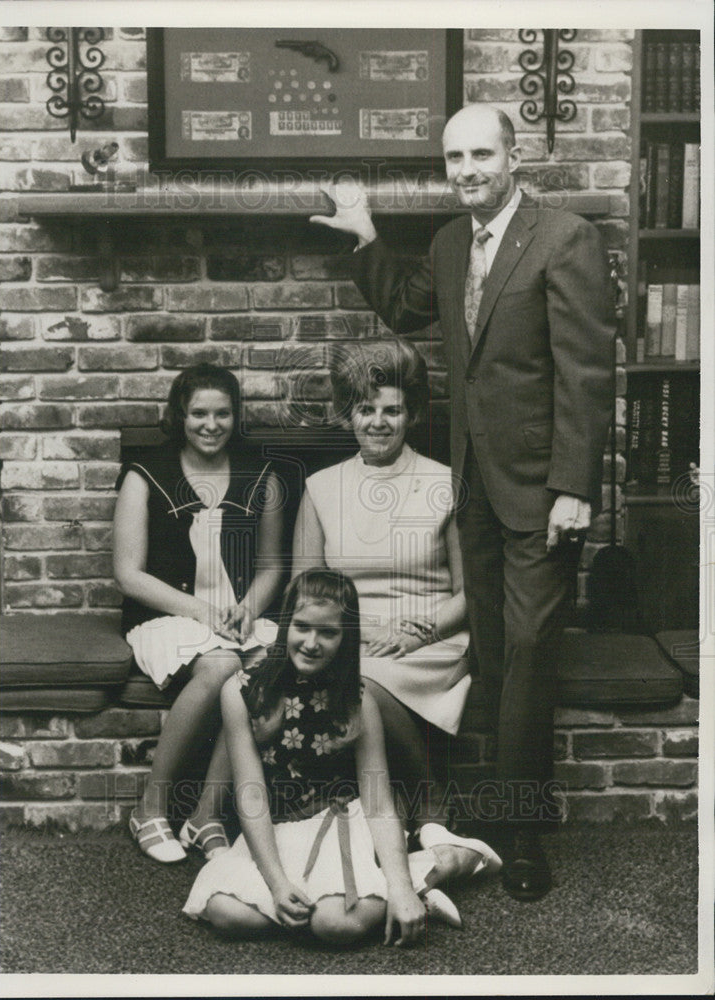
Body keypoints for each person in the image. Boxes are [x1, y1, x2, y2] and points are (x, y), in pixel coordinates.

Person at [310, 104, 616, 901]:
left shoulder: (565, 238)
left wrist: (575, 488)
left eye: (482, 153)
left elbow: (585, 375)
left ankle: (521, 828)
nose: (468, 169)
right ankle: (464, 807)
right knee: (489, 645)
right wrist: (364, 232)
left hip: (546, 492)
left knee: (527, 648)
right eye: (455, 157)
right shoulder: (451, 243)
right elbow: (411, 307)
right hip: (474, 486)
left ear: (514, 157)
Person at [184, 569, 491, 944]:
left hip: (344, 819)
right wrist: (277, 883)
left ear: (345, 637)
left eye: (328, 633)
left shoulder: (357, 698)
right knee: (228, 914)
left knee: (335, 925)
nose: (312, 642)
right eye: (302, 627)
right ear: (285, 625)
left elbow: (377, 800)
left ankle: (432, 869)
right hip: (275, 829)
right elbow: (251, 796)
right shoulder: (242, 692)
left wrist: (400, 888)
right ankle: (387, 885)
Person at [292, 337, 500, 871]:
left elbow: (472, 591)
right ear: (349, 416)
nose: (378, 422)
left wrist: (420, 631)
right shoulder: (320, 488)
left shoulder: (444, 482)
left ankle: (416, 808)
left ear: (411, 415)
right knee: (356, 675)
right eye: (366, 410)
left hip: (431, 639)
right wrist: (351, 634)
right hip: (352, 637)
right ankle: (422, 807)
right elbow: (307, 591)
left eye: (392, 410)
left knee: (362, 681)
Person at [114, 363, 284, 863]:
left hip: (238, 619)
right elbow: (128, 574)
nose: (211, 425)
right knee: (221, 664)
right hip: (168, 617)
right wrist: (204, 612)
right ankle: (150, 807)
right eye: (199, 414)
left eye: (223, 414)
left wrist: (246, 610)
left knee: (266, 665)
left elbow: (273, 565)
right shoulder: (145, 475)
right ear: (179, 416)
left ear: (236, 417)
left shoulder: (262, 477)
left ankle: (206, 813)